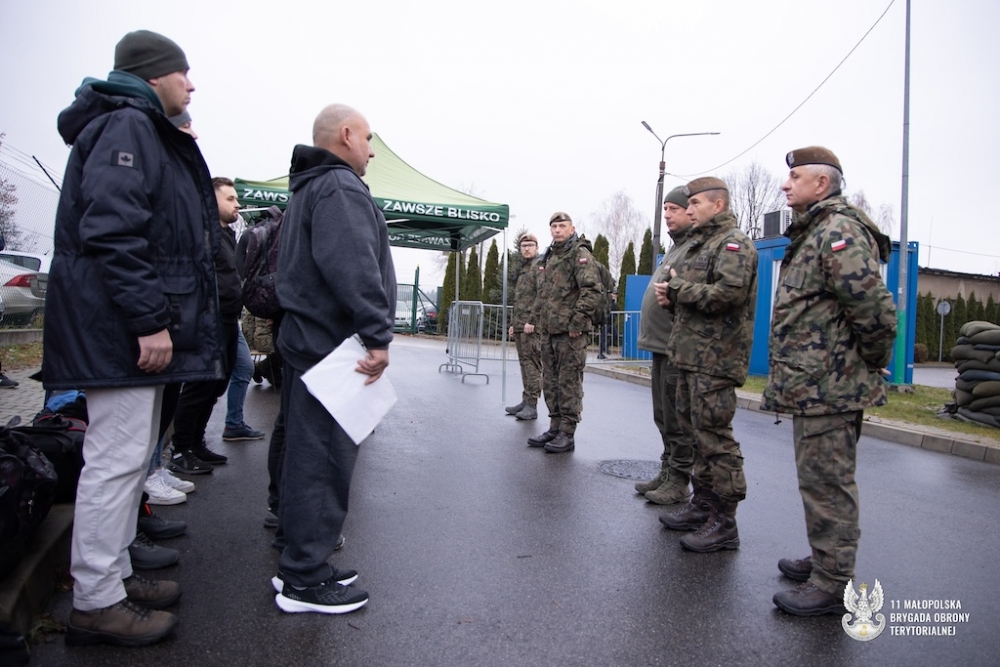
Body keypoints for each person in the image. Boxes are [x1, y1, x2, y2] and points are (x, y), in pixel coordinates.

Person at [43, 29, 224, 646]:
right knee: (116, 465)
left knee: (125, 462)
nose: (191, 84)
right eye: (184, 73)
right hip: (118, 328)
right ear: (153, 76)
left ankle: (113, 577)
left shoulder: (138, 127)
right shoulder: (126, 127)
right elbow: (115, 231)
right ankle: (95, 601)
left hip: (121, 326)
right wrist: (149, 318)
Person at [272, 103, 395, 615]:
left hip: (309, 345)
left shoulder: (309, 187)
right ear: (346, 134)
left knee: (305, 458)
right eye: (368, 139)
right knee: (322, 464)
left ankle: (302, 564)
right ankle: (305, 580)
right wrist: (377, 335)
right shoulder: (340, 187)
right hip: (332, 351)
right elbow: (354, 268)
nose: (371, 149)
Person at [766, 147, 897, 616]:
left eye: (795, 176)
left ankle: (834, 581)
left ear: (822, 184)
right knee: (816, 480)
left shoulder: (838, 230)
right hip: (815, 384)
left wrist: (870, 361)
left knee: (828, 482)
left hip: (831, 386)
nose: (786, 184)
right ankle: (825, 558)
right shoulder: (815, 230)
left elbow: (875, 310)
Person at [656, 177, 758, 553]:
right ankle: (704, 505)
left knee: (715, 439)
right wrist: (674, 300)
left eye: (695, 203)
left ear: (717, 205)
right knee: (694, 432)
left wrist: (681, 291)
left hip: (715, 360)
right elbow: (700, 297)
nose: (690, 208)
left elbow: (728, 295)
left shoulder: (734, 243)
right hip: (689, 356)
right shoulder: (702, 244)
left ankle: (725, 522)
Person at [166, 177, 250, 473]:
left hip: (228, 320)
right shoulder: (201, 233)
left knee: (216, 385)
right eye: (230, 198)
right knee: (199, 386)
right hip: (207, 321)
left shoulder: (226, 235)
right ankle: (181, 450)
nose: (237, 203)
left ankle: (196, 443)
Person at [635, 186, 697, 505]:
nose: (668, 215)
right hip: (661, 345)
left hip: (678, 346)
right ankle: (668, 469)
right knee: (663, 415)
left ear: (692, 210)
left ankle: (679, 479)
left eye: (674, 208)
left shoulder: (695, 248)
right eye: (665, 209)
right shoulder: (675, 248)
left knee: (676, 417)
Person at [526, 212, 602, 454]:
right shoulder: (551, 256)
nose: (557, 230)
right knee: (550, 380)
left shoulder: (579, 254)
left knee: (568, 382)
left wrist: (577, 323)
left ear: (572, 228)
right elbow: (544, 294)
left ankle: (567, 433)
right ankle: (555, 426)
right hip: (549, 331)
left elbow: (591, 290)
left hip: (570, 333)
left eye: (562, 226)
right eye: (554, 226)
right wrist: (535, 321)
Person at [505, 233, 543, 420]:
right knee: (524, 363)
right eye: (523, 245)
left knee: (532, 364)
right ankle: (526, 400)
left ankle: (532, 405)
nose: (526, 248)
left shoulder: (538, 267)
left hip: (531, 326)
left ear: (537, 247)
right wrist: (514, 324)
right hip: (521, 325)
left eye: (530, 245)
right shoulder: (524, 268)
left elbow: (541, 296)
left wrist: (532, 321)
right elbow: (520, 299)